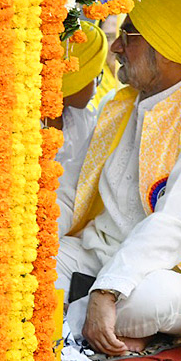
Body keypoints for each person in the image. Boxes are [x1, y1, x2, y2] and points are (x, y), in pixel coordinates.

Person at [57, 0, 181, 356]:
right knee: (21, 266)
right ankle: (93, 328)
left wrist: (108, 288)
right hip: (97, 253)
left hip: (176, 270)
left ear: (165, 49)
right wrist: (31, 239)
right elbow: (72, 189)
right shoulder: (121, 105)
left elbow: (177, 225)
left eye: (127, 36)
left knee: (156, 297)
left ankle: (62, 331)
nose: (115, 47)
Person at [54, 21, 108, 237]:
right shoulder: (18, 126)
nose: (97, 86)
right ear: (70, 76)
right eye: (94, 76)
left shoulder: (85, 119)